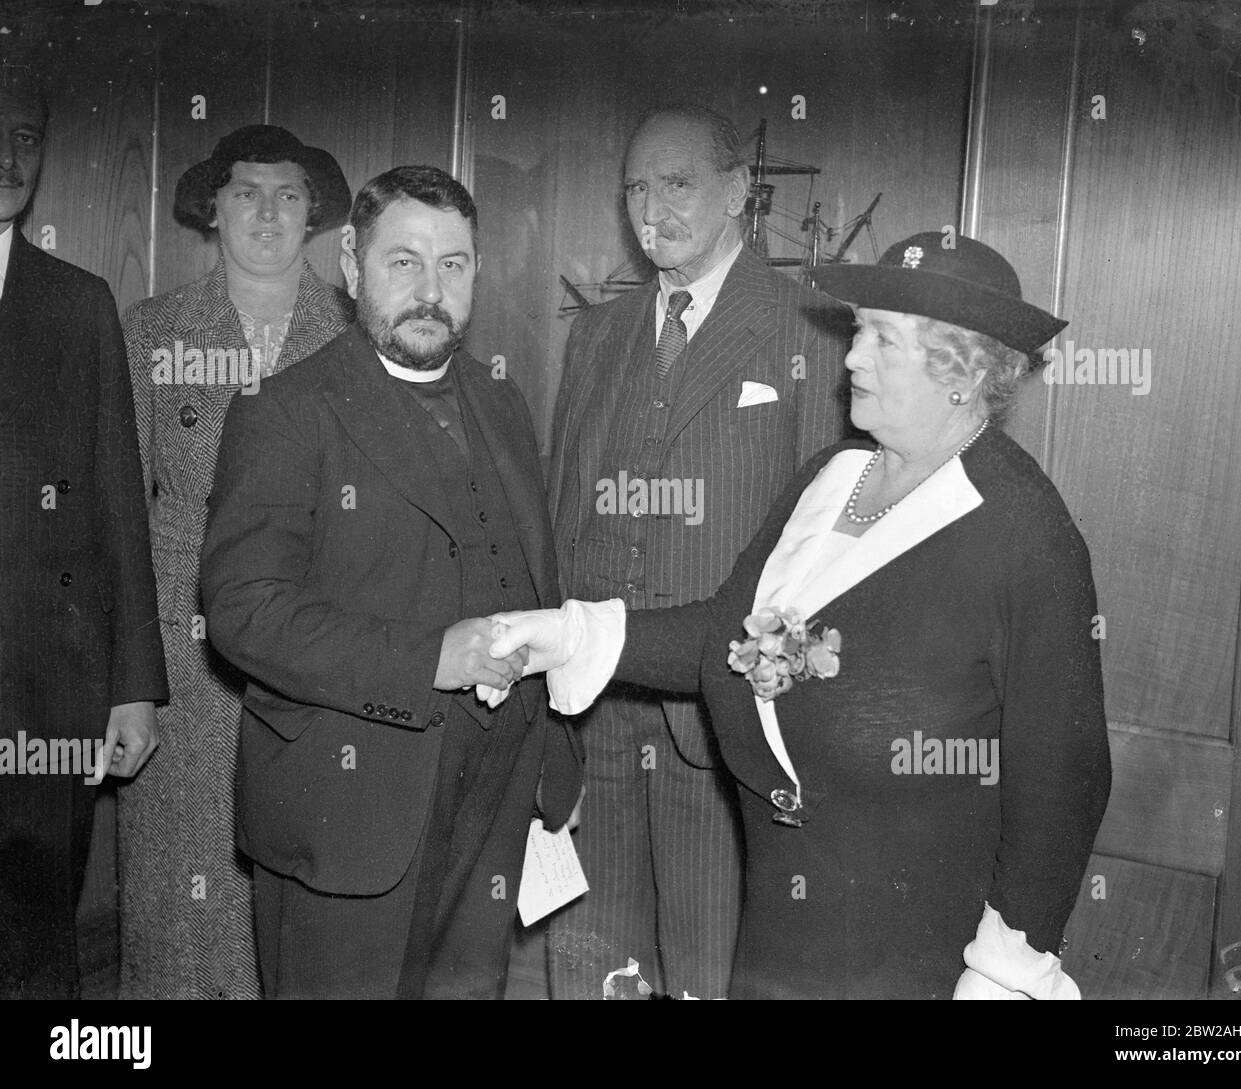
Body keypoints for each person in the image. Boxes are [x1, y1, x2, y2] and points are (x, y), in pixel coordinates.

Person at [491, 231, 1112, 999]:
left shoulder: (1024, 532)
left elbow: (1065, 779)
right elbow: (725, 632)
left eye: (882, 339)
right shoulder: (833, 475)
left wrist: (1005, 967)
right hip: (779, 941)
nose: (851, 358)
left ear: (963, 370)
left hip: (921, 964)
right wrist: (573, 632)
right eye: (859, 331)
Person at [200, 165, 583, 999]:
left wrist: (553, 753)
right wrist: (428, 659)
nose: (430, 289)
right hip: (353, 810)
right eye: (403, 261)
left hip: (496, 796)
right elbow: (242, 610)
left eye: (453, 264)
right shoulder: (285, 409)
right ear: (349, 261)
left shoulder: (501, 398)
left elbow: (533, 577)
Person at [546, 104, 848, 999]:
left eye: (676, 183)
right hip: (593, 713)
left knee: (708, 971)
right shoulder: (599, 334)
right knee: (593, 964)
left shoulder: (810, 330)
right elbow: (565, 513)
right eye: (636, 187)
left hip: (717, 727)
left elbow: (825, 543)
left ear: (738, 192)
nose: (652, 207)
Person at [117, 124, 354, 999]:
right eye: (245, 192)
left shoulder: (357, 336)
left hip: (316, 654)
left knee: (299, 888)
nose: (266, 211)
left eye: (287, 194)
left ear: (313, 213)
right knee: (182, 896)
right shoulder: (152, 334)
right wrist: (130, 676)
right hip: (184, 661)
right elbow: (118, 520)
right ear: (211, 209)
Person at [0, 71, 168, 999]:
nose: (8, 157)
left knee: (34, 950)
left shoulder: (78, 303)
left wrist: (133, 687)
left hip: (45, 701)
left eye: (25, 136)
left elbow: (116, 505)